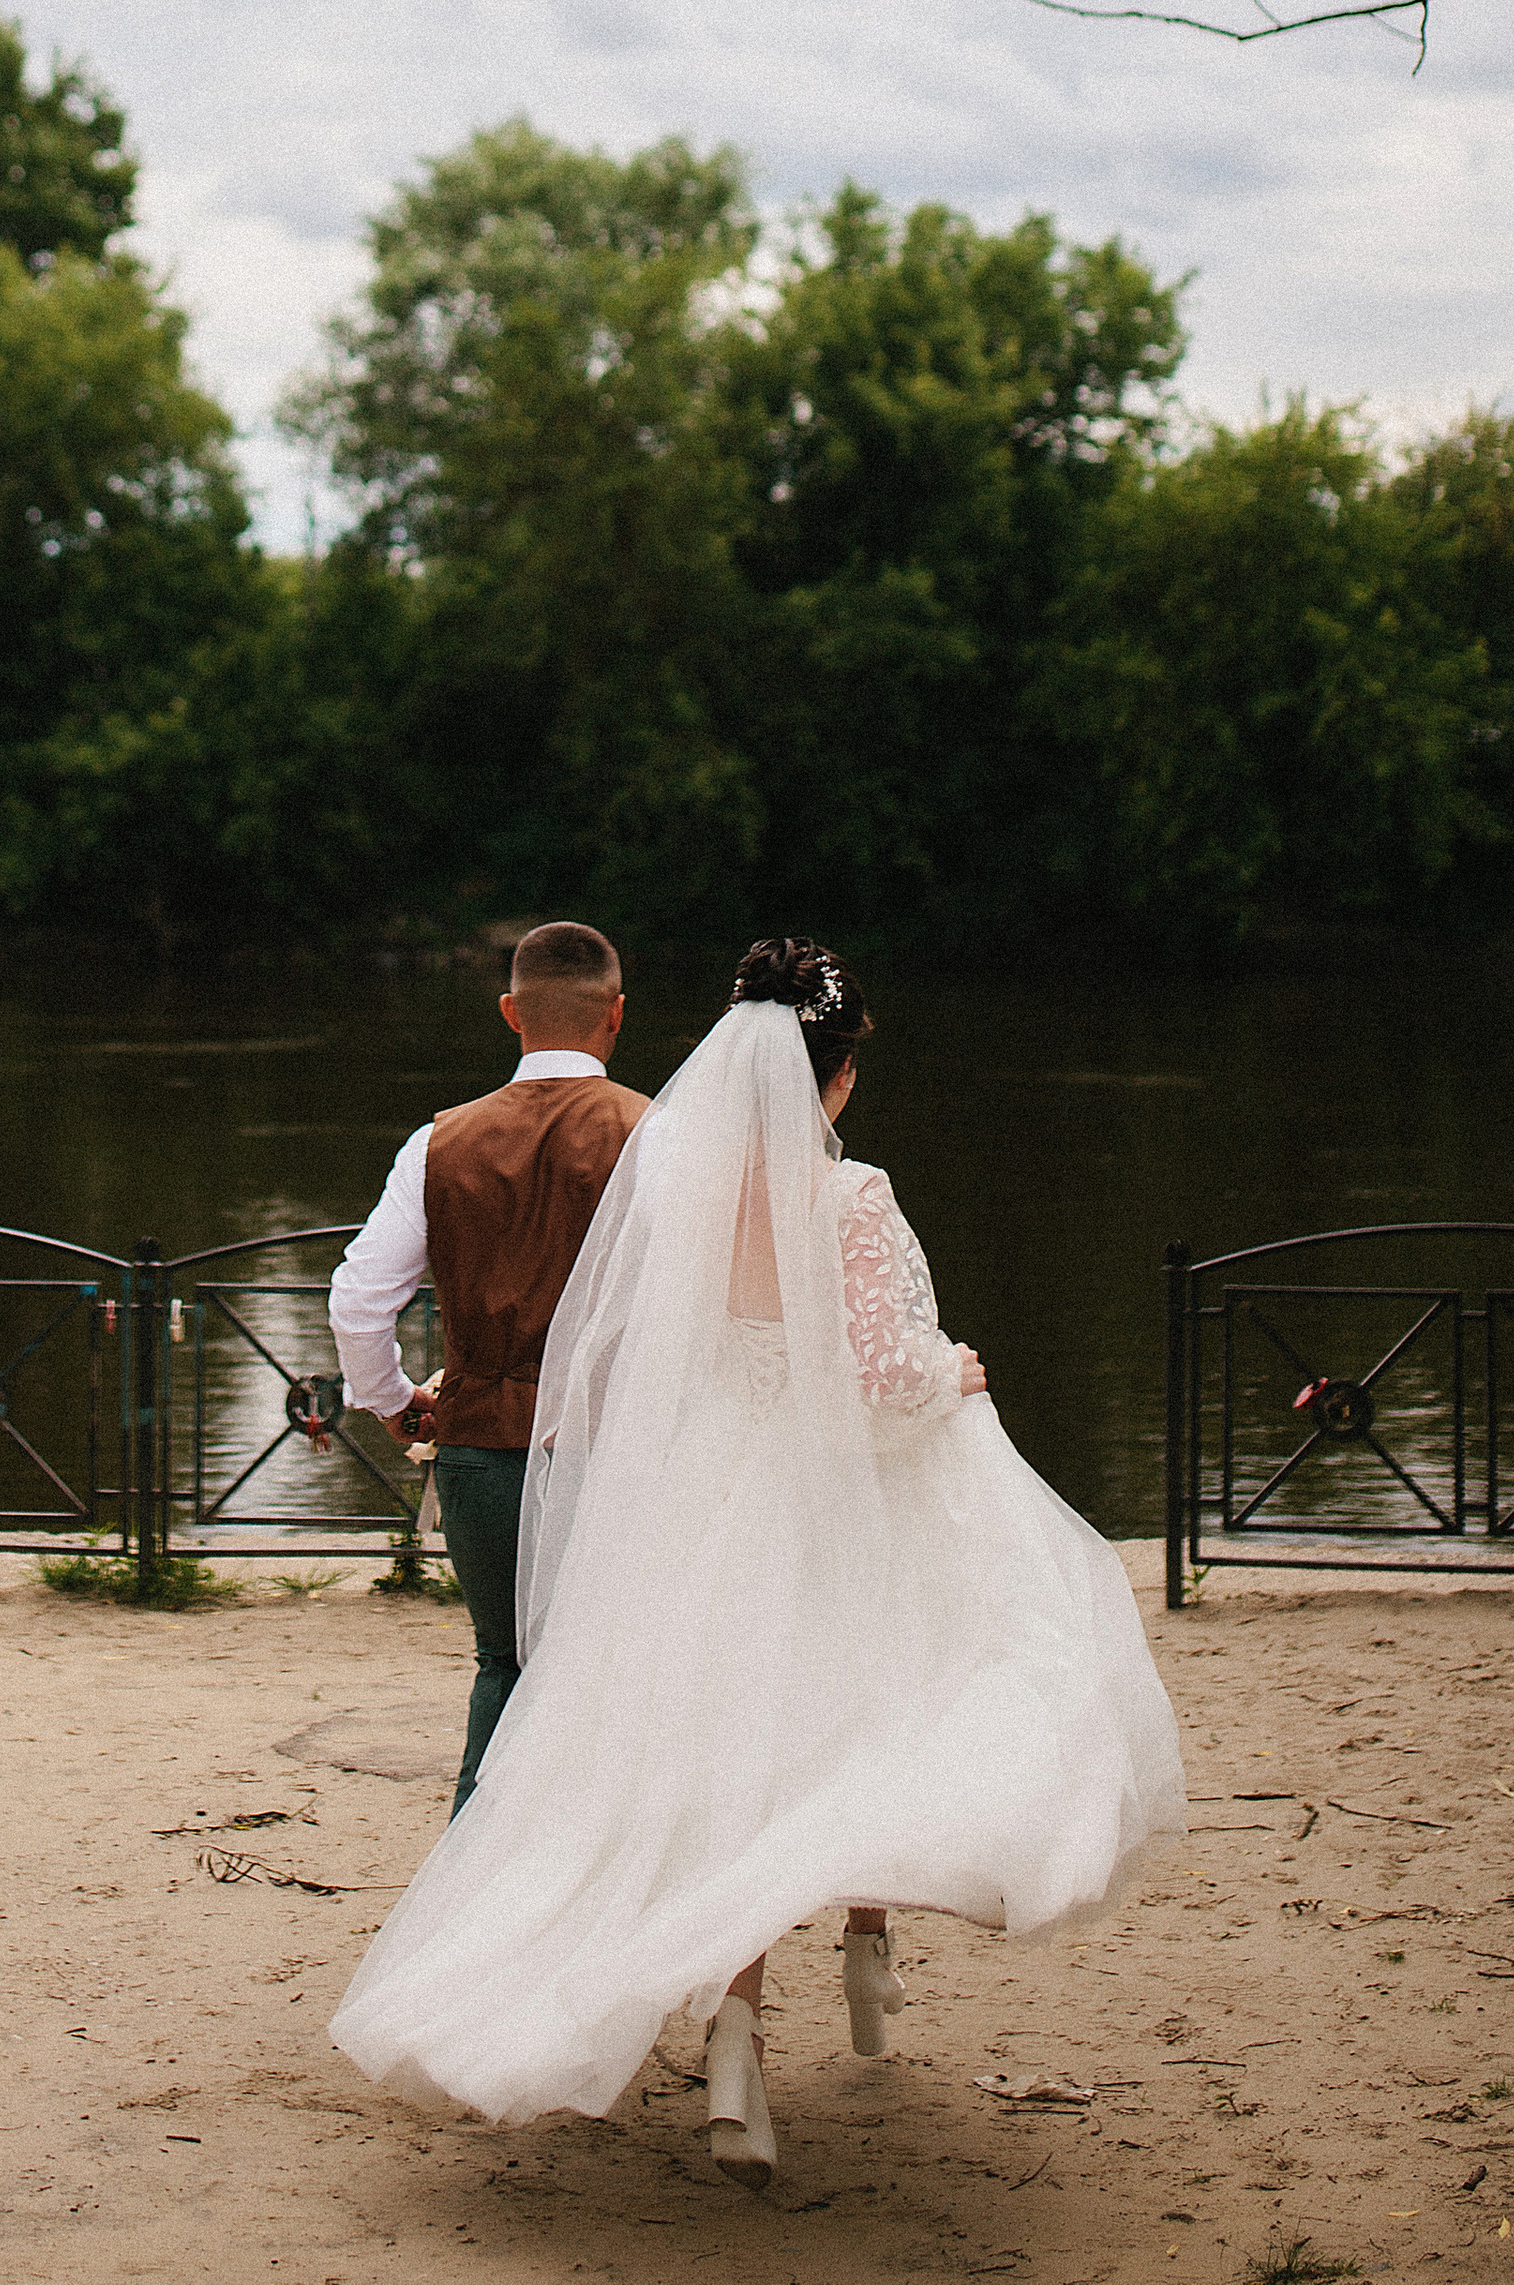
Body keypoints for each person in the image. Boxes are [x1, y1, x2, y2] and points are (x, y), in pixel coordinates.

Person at [331, 936, 1187, 2194]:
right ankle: (865, 1934)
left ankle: (730, 2033)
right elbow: (887, 1378)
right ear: (836, 1077)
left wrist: (429, 1406)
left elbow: (582, 1340)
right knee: (870, 1712)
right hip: (814, 1501)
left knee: (694, 1753)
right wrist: (959, 1371)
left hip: (684, 1499)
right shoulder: (848, 1195)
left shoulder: (658, 1181)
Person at [327, 919, 646, 1811]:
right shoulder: (654, 1134)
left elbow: (357, 1299)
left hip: (481, 1445)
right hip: (611, 1448)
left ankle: (473, 1893)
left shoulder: (441, 1142)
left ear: (510, 1012)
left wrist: (392, 1400)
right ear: (615, 1015)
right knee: (612, 1672)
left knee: (503, 1668)